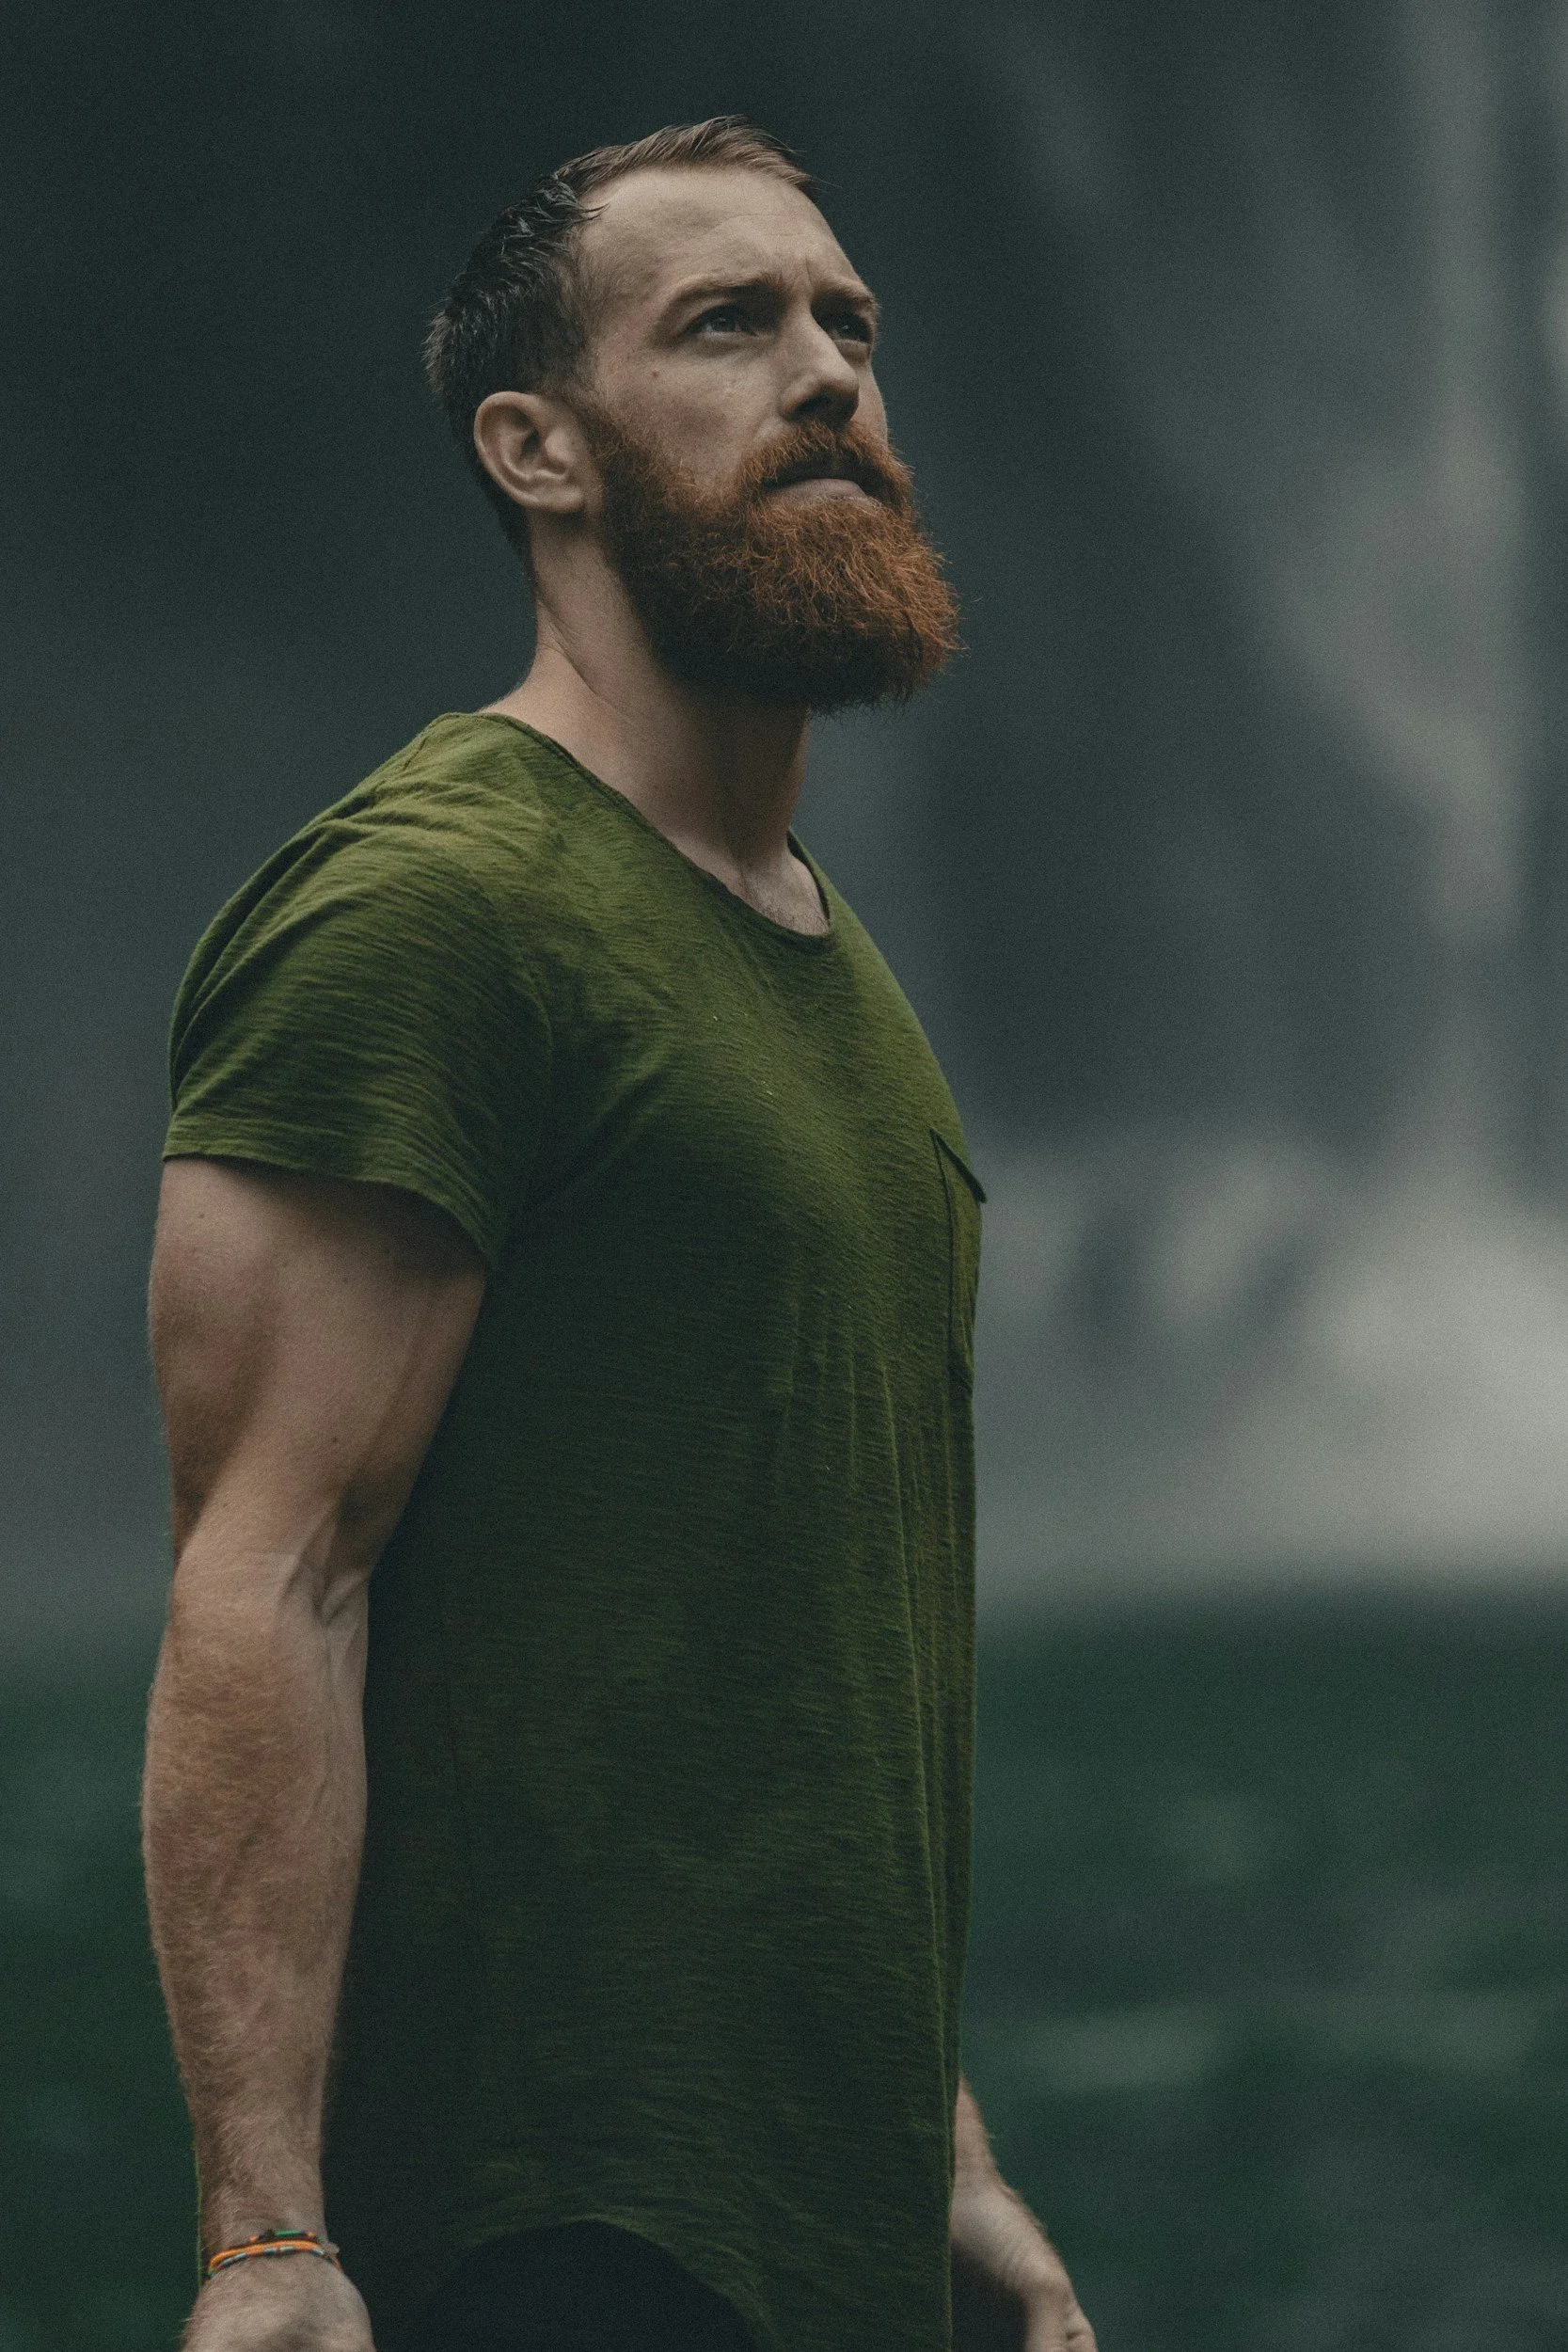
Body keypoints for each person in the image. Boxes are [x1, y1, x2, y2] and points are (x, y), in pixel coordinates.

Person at [142, 116, 1097, 2352]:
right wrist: (266, 2239)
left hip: (819, 2227)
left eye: (850, 322)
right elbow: (268, 1571)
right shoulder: (432, 904)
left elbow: (775, 1658)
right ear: (535, 447)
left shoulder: (828, 959)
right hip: (549, 2229)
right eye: (728, 324)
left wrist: (934, 2151)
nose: (828, 370)